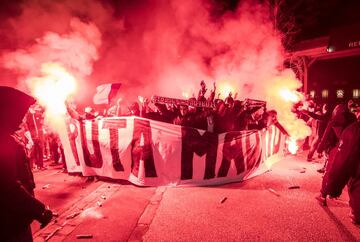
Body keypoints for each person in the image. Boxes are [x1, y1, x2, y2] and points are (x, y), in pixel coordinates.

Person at [0, 86, 52, 241]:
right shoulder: (4, 141)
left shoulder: (7, 137)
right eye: (19, 113)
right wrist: (39, 210)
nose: (22, 119)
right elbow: (8, 187)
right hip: (10, 222)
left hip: (13, 217)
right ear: (7, 112)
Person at [316, 119, 360, 225]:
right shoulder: (352, 123)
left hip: (339, 151)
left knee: (333, 170)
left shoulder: (354, 129)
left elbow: (342, 164)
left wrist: (334, 189)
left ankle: (324, 193)